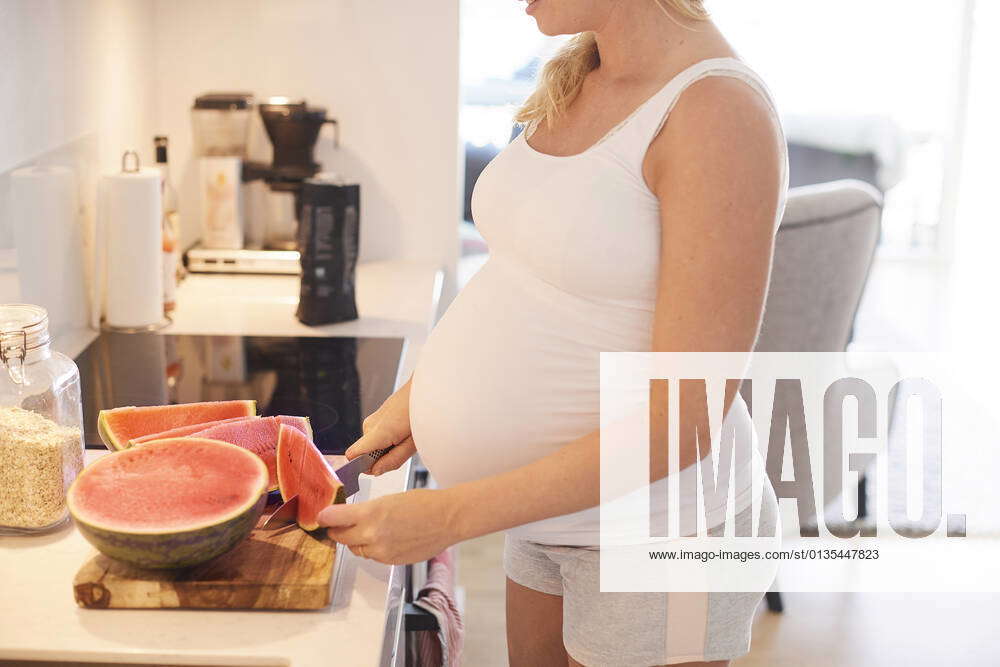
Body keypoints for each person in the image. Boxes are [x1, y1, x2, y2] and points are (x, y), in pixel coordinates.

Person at [318, 0, 787, 664]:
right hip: (546, 514)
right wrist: (421, 399)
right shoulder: (585, 75)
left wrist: (452, 514)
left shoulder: (718, 112)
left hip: (663, 537)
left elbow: (688, 417)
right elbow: (538, 284)